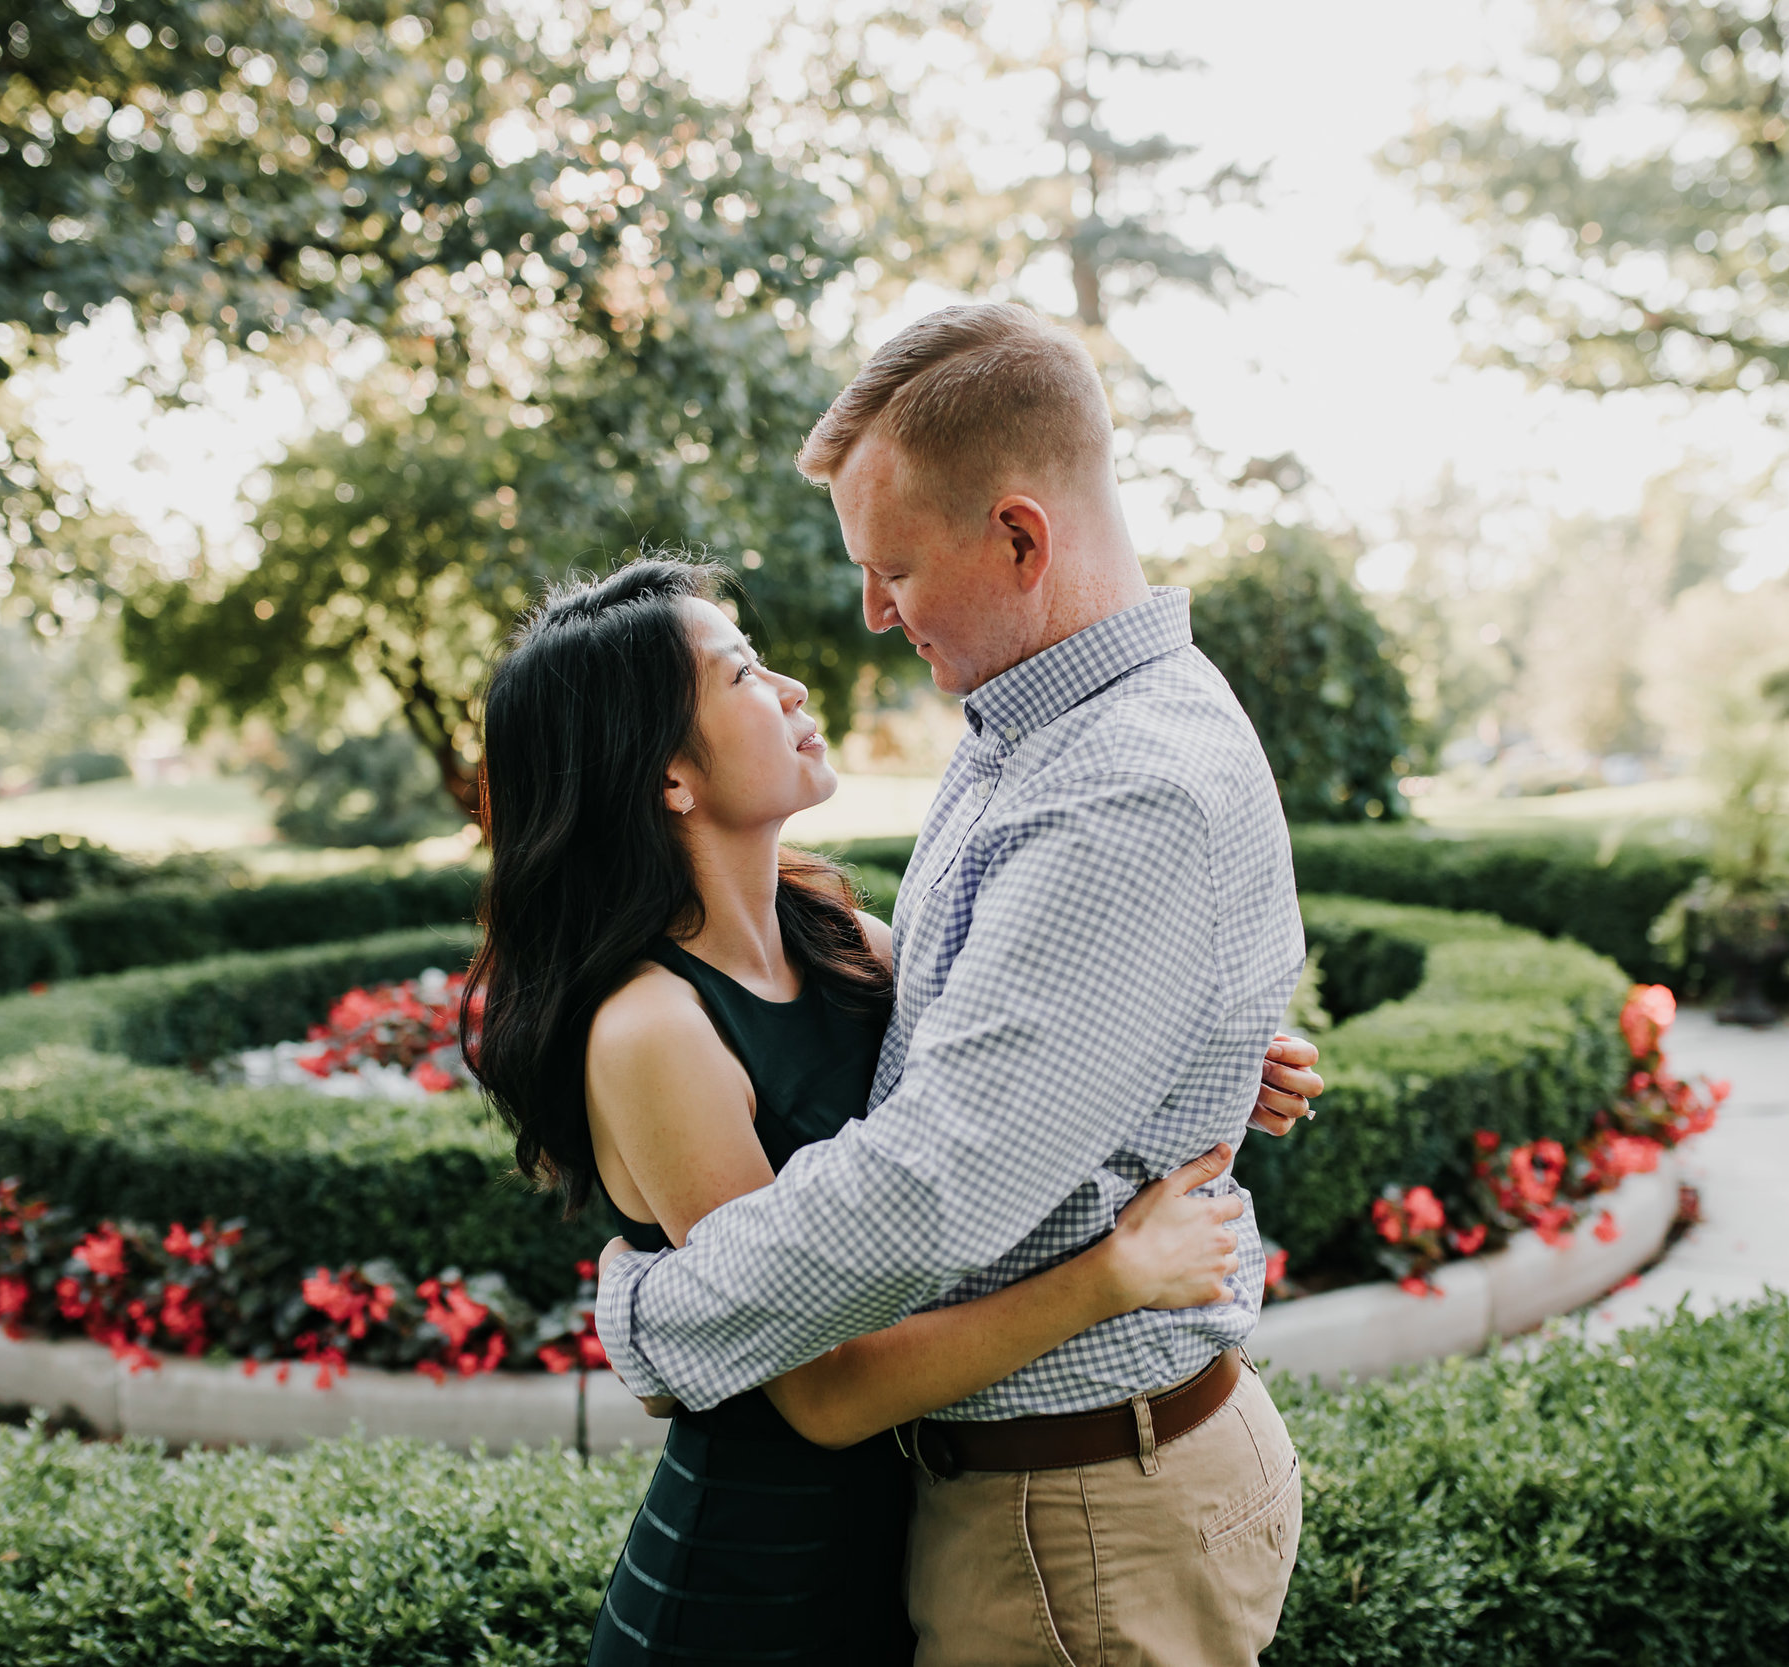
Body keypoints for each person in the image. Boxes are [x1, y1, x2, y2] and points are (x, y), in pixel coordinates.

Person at [593, 301, 1316, 1665]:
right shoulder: (1036, 727)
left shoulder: (1118, 789)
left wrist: (646, 1311)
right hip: (1056, 1498)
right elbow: (978, 1003)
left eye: (896, 569)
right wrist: (1163, 1038)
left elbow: (929, 1192)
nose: (870, 613)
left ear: (1022, 538)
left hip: (1079, 1523)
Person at [466, 558, 1302, 1664]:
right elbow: (822, 1390)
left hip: (895, 1539)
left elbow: (1018, 1079)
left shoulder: (837, 934)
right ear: (670, 774)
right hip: (752, 1592)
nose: (793, 688)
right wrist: (1111, 1276)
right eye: (743, 673)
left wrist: (1213, 1054)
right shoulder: (654, 1028)